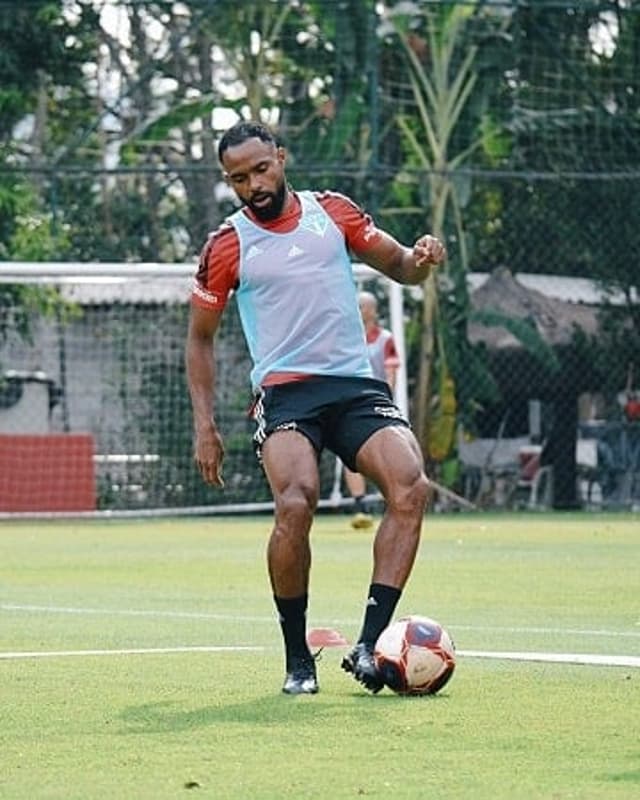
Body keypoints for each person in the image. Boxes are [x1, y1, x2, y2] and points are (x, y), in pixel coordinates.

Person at [186, 120, 446, 696]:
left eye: (260, 168)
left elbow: (400, 265)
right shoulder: (226, 245)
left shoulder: (333, 212)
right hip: (285, 394)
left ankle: (370, 646)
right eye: (238, 178)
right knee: (296, 502)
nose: (253, 184)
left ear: (280, 157)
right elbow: (199, 338)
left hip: (353, 386)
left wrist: (422, 258)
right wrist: (205, 425)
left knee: (410, 486)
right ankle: (298, 660)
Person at [344, 290, 400, 530]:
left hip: (375, 403)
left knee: (384, 456)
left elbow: (391, 372)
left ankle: (392, 501)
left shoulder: (385, 338)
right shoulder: (345, 338)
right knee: (348, 456)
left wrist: (385, 399)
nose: (359, 310)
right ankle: (360, 506)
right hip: (348, 403)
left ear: (373, 311)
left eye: (363, 306)